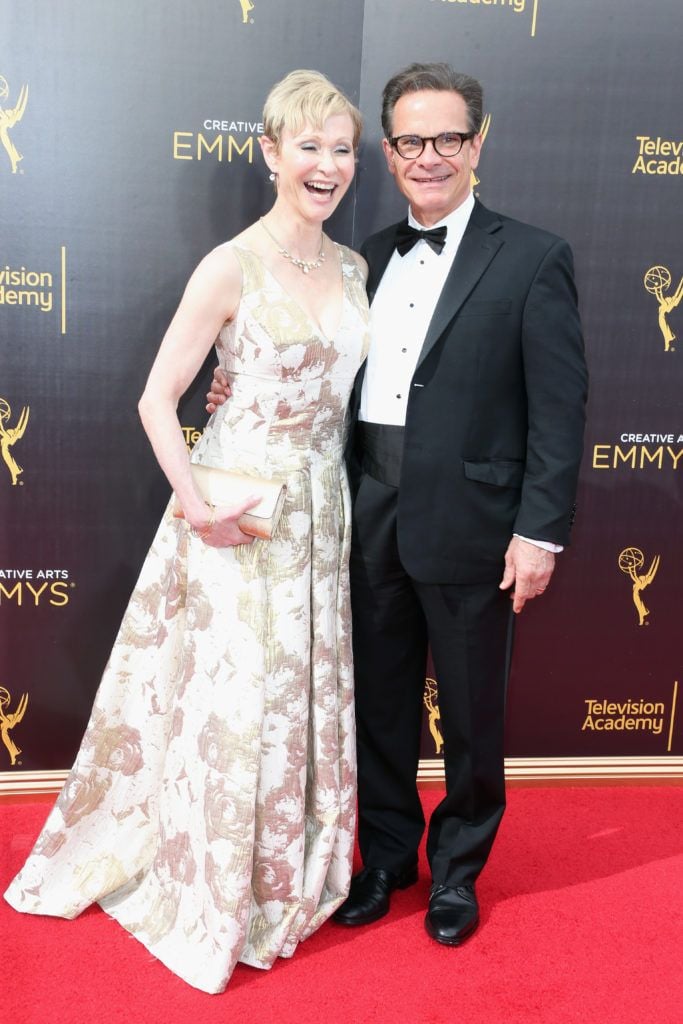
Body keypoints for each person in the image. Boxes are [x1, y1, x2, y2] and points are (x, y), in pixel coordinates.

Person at [208, 60, 588, 949]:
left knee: (467, 711)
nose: (428, 156)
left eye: (447, 138)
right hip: (361, 502)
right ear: (386, 150)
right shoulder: (358, 257)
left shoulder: (533, 257)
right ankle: (383, 859)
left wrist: (539, 531)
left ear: (476, 143)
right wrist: (240, 386)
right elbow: (308, 360)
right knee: (375, 704)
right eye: (409, 140)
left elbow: (560, 409)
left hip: (473, 519)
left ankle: (457, 872)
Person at [4, 69, 369, 994]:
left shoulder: (355, 266)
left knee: (298, 697)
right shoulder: (229, 264)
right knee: (231, 705)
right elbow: (157, 399)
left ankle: (283, 873)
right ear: (269, 153)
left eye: (342, 150)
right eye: (308, 148)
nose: (325, 167)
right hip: (236, 516)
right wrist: (199, 505)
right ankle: (209, 883)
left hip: (321, 509)